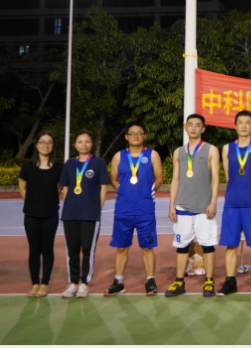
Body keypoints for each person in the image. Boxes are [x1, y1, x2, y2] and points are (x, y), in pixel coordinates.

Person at [165, 114, 220, 298]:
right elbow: (175, 180)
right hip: (182, 207)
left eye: (197, 125)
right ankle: (179, 282)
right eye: (191, 125)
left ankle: (209, 281)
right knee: (181, 246)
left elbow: (215, 178)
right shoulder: (178, 152)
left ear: (203, 129)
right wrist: (172, 205)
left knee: (208, 245)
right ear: (186, 127)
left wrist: (213, 202)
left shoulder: (211, 150)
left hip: (204, 207)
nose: (194, 128)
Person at [105, 122, 163, 296]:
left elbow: (159, 179)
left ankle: (150, 281)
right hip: (123, 210)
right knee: (121, 248)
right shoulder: (118, 156)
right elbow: (113, 178)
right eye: (132, 133)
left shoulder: (152, 155)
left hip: (145, 210)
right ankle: (118, 282)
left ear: (144, 136)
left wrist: (148, 192)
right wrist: (122, 191)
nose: (136, 136)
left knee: (147, 248)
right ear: (126, 136)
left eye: (139, 133)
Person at [218, 110, 251, 297]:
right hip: (232, 204)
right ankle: (230, 282)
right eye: (240, 122)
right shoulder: (227, 148)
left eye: (248, 122)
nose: (244, 126)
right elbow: (228, 175)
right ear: (235, 126)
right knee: (231, 246)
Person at [59, 131, 110, 299]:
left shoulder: (98, 163)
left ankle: (84, 284)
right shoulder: (69, 164)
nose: (83, 144)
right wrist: (68, 207)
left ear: (91, 144)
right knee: (72, 250)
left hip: (90, 214)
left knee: (88, 250)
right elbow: (65, 187)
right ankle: (73, 283)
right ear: (75, 145)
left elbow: (104, 187)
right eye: (80, 141)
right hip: (70, 214)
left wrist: (97, 208)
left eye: (87, 141)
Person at [18, 131, 62, 298]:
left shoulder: (58, 167)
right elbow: (22, 187)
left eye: (49, 142)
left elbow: (62, 186)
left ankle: (45, 283)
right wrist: (31, 202)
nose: (46, 145)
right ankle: (35, 283)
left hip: (50, 215)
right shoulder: (27, 166)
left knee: (47, 249)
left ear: (53, 146)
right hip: (31, 216)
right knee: (34, 249)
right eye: (42, 142)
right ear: (36, 145)